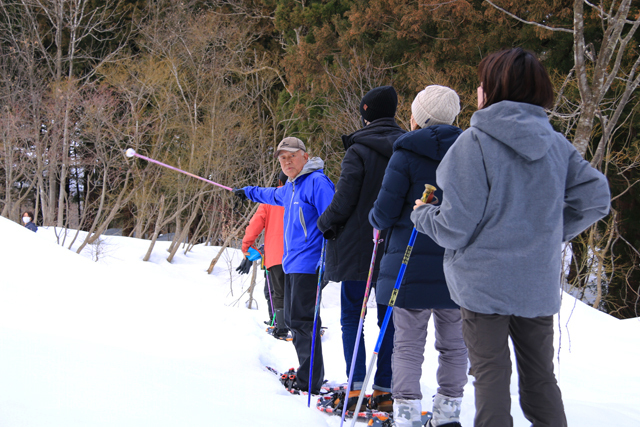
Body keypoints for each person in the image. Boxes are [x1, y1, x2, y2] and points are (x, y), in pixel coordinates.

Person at [410, 48, 611, 427]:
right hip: (535, 283)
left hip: (483, 285)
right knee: (540, 379)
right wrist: (548, 233)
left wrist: (423, 216)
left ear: (494, 90)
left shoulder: (474, 144)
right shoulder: (555, 144)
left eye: (484, 82)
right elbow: (595, 198)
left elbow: (455, 227)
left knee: (491, 378)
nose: (479, 89)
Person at [369, 85, 468, 427]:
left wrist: (375, 220)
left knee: (408, 344)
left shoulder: (406, 152)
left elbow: (384, 212)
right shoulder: (472, 152)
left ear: (416, 118)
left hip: (408, 264)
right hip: (458, 267)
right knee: (454, 345)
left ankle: (406, 415)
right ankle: (447, 415)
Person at [317, 85, 405, 413]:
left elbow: (344, 199)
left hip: (358, 249)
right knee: (389, 318)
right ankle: (384, 390)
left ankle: (355, 389)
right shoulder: (407, 147)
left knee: (353, 314)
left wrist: (324, 224)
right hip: (395, 248)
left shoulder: (359, 149)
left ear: (366, 112)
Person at [233, 137, 335, 394]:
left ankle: (309, 380)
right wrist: (246, 192)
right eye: (282, 157)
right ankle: (309, 373)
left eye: (291, 155)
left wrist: (328, 260)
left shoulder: (316, 183)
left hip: (310, 263)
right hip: (292, 263)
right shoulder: (290, 187)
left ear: (305, 156)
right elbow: (269, 194)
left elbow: (333, 221)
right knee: (291, 318)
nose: (287, 161)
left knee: (302, 321)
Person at [236, 171, 289, 340]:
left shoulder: (269, 200)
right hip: (300, 256)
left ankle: (281, 327)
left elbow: (254, 226)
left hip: (275, 256)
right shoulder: (303, 195)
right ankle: (307, 325)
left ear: (279, 181)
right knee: (301, 291)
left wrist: (247, 249)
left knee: (278, 292)